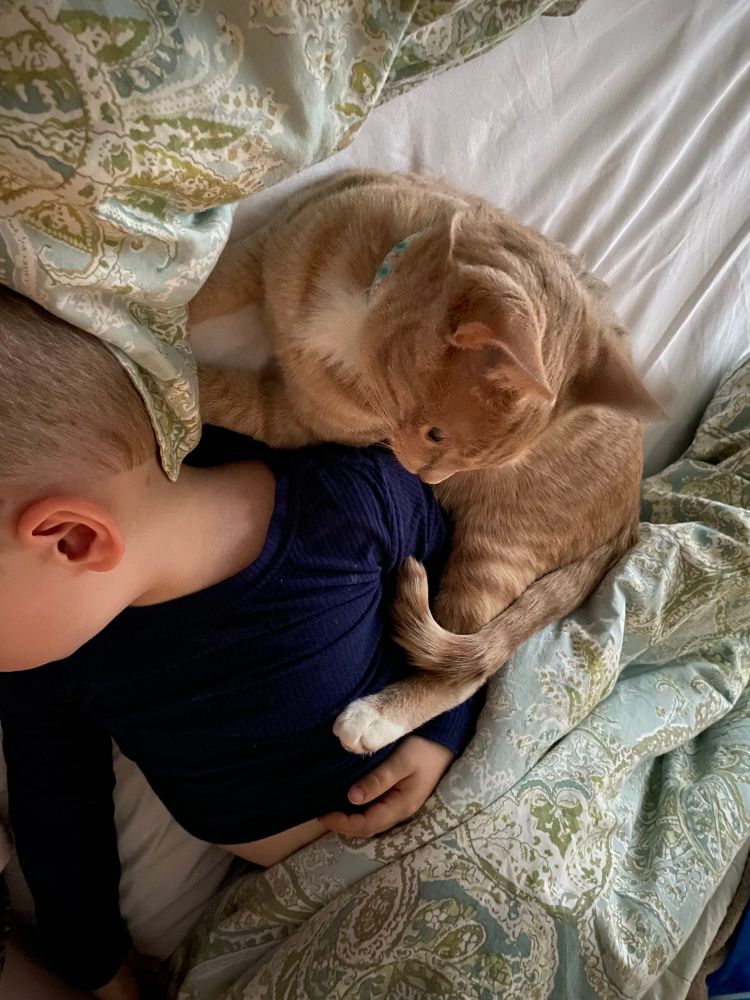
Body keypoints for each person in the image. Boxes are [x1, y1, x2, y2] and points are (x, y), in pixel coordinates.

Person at [0, 288, 479, 999]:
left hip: (458, 811)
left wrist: (443, 723)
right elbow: (57, 812)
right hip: (290, 905)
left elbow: (465, 585)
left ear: (72, 539)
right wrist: (99, 968)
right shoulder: (48, 659)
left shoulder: (342, 501)